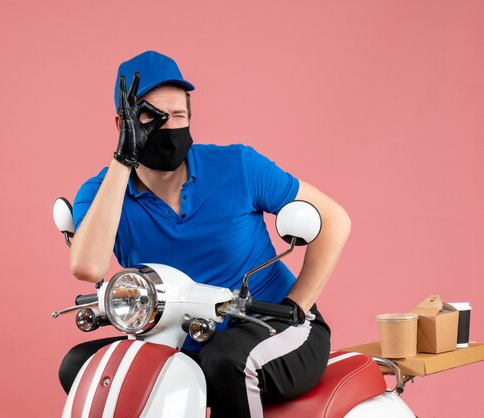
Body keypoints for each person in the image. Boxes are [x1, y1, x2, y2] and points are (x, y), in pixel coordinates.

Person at [59, 50, 351, 418]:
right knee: (81, 365)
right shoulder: (103, 192)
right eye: (151, 117)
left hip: (272, 325)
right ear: (123, 123)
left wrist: (295, 306)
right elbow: (88, 266)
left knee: (225, 359)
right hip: (181, 336)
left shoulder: (238, 166)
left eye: (178, 115)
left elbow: (335, 219)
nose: (167, 127)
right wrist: (123, 161)